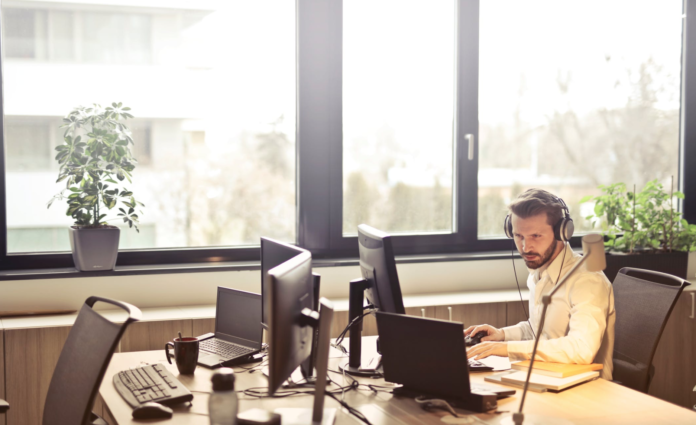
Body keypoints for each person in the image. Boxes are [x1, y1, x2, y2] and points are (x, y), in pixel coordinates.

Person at [465, 189, 615, 380]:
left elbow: (581, 349)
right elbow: (539, 331)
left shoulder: (587, 280)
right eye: (519, 236)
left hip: (586, 389)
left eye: (536, 236)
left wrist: (508, 348)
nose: (526, 248)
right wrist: (502, 335)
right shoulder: (539, 272)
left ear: (562, 232)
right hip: (546, 376)